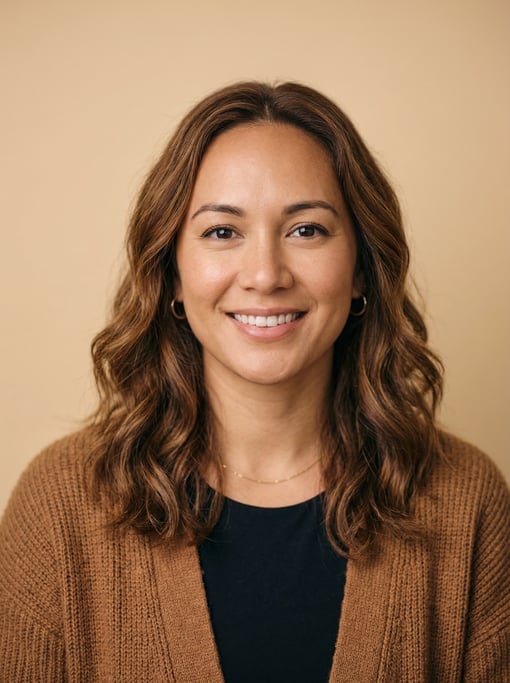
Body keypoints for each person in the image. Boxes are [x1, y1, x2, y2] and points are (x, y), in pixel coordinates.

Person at [1, 81, 509, 682]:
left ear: (360, 270)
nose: (265, 274)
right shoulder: (60, 507)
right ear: (172, 275)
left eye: (307, 230)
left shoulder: (467, 502)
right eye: (222, 232)